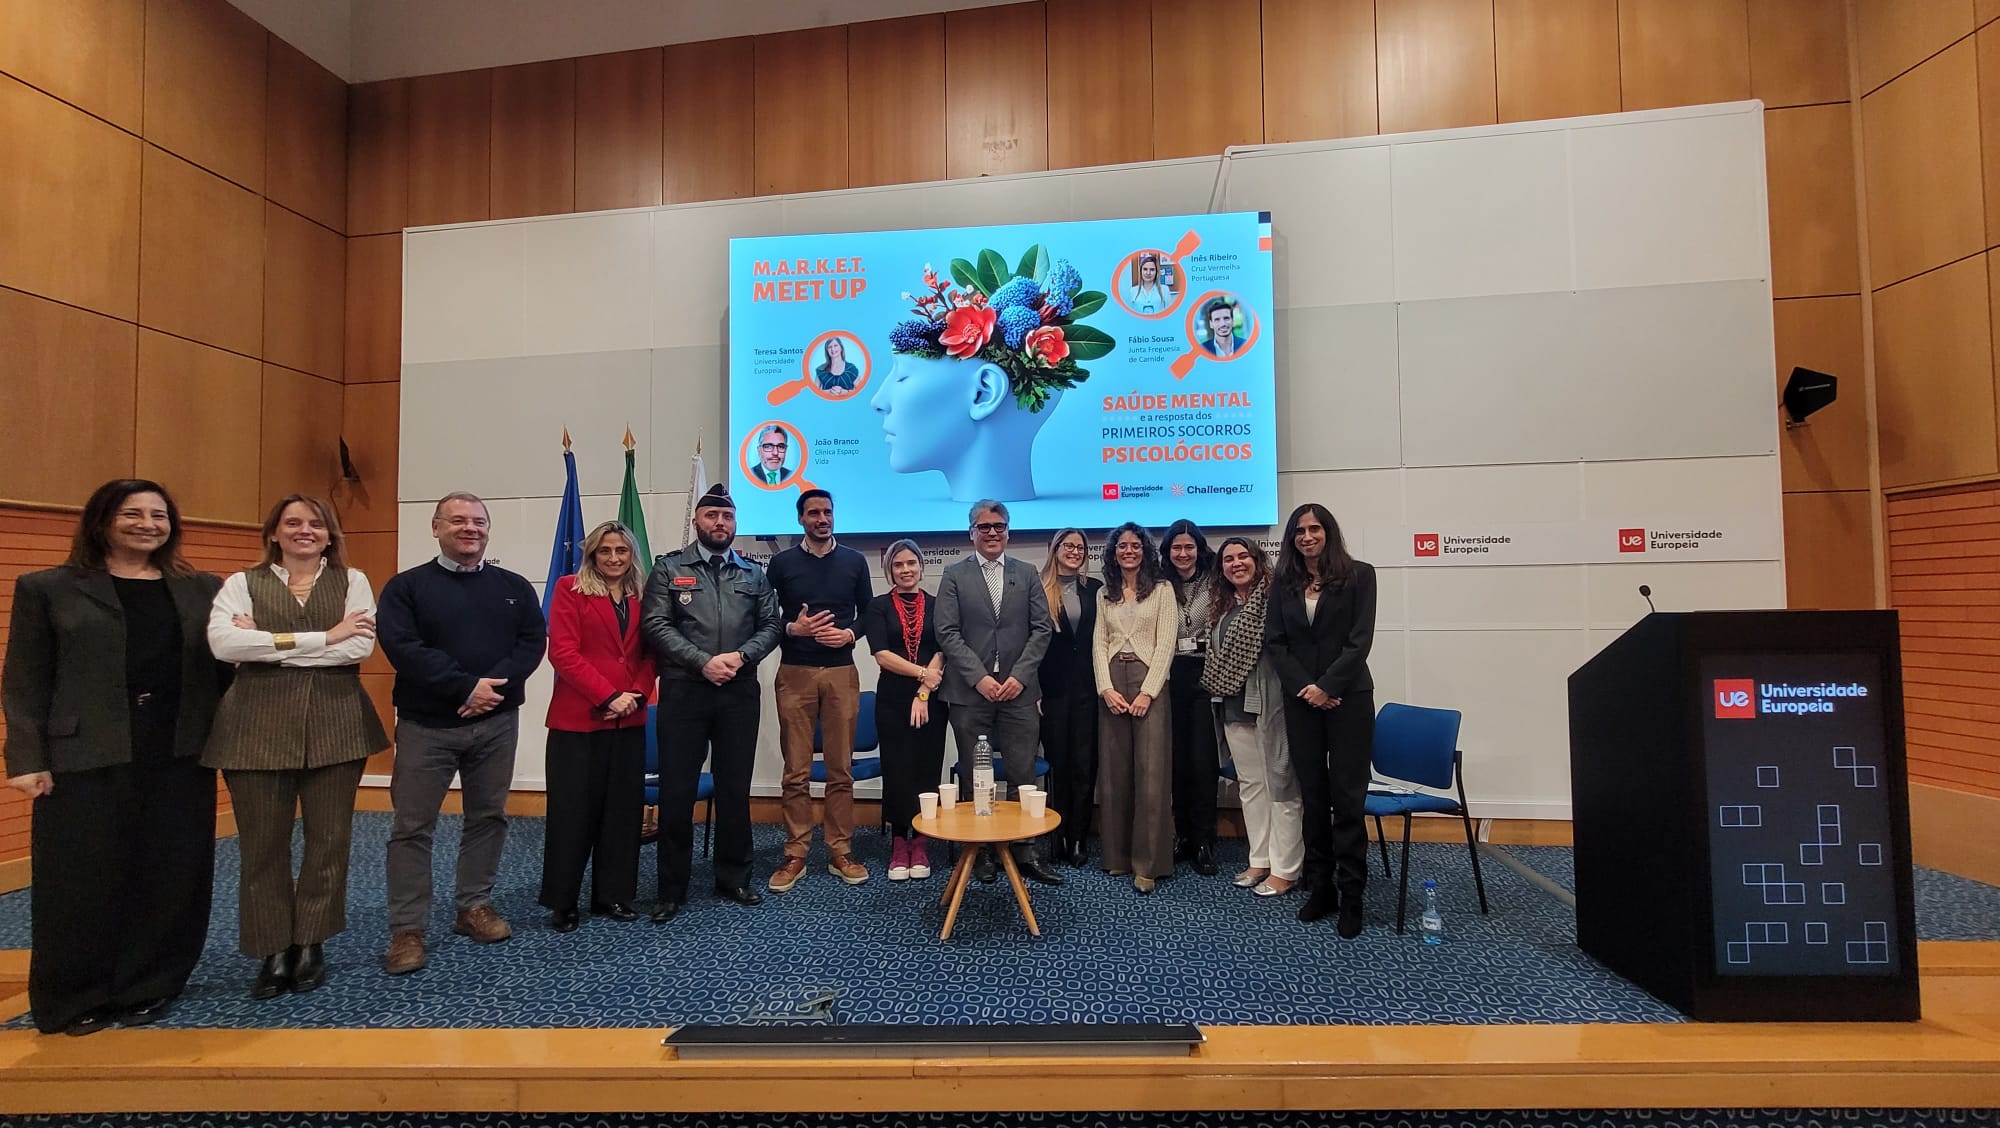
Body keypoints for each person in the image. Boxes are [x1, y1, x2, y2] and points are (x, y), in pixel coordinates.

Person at [2, 480, 226, 1035]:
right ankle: (73, 996)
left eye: (159, 514)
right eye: (132, 513)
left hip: (178, 749)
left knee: (171, 872)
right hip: (86, 751)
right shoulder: (48, 588)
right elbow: (25, 681)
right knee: (80, 877)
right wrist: (27, 757)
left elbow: (225, 670)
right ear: (101, 520)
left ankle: (150, 984)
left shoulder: (203, 589)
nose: (147, 523)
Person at [205, 494, 388, 1000]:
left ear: (330, 535)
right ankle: (272, 948)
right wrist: (322, 637)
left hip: (338, 726)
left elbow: (358, 648)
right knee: (263, 846)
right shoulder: (242, 583)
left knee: (329, 842)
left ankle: (310, 941)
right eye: (292, 523)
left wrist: (267, 643)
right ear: (273, 533)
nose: (304, 531)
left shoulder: (353, 582)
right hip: (253, 731)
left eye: (315, 524)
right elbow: (225, 646)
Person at [376, 492, 547, 974]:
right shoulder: (406, 588)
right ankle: (407, 930)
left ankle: (474, 907)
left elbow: (531, 643)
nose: (469, 528)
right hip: (426, 726)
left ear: (489, 530)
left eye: (478, 521)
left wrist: (492, 688)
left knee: (488, 817)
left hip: (495, 724)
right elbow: (402, 647)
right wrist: (465, 685)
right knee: (412, 827)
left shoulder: (513, 586)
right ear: (435, 528)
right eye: (457, 521)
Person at [641, 483, 782, 921]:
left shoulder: (753, 574)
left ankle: (734, 878)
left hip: (738, 691)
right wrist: (703, 662)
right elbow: (656, 625)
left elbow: (772, 625)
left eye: (727, 517)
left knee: (734, 789)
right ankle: (671, 889)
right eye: (711, 516)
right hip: (685, 690)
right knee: (678, 790)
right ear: (697, 521)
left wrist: (740, 658)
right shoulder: (668, 569)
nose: (720, 524)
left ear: (735, 523)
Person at [932, 499, 1061, 886]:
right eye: (984, 526)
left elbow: (1042, 629)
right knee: (976, 776)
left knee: (1023, 774)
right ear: (971, 532)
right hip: (971, 694)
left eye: (998, 526)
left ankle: (1025, 850)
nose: (992, 533)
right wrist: (979, 677)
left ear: (1008, 531)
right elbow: (947, 632)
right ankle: (983, 852)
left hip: (1019, 693)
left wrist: (1019, 676)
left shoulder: (1026, 573)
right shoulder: (954, 574)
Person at [1263, 502, 1377, 937]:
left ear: (1329, 531)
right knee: (1313, 799)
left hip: (1349, 700)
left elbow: (1359, 641)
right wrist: (1307, 689)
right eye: (1299, 531)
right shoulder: (1285, 582)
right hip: (1301, 702)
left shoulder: (1360, 575)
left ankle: (1352, 896)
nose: (1307, 536)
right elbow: (1276, 643)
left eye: (1315, 528)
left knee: (1347, 801)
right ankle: (1320, 888)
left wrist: (1328, 686)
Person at [539, 521, 654, 933]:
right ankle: (563, 901)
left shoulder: (643, 596)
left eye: (621, 551)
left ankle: (614, 895)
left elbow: (649, 656)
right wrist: (608, 696)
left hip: (630, 719)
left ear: (632, 555)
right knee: (573, 814)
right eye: (605, 551)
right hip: (580, 720)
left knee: (622, 815)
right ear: (592, 554)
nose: (613, 558)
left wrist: (636, 696)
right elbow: (564, 654)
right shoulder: (570, 588)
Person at [764, 489, 875, 892]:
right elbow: (764, 618)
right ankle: (795, 854)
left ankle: (840, 850)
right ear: (801, 520)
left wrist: (848, 633)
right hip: (794, 672)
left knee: (839, 769)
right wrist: (793, 628)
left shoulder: (854, 561)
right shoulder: (780, 563)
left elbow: (868, 614)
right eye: (813, 513)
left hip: (842, 673)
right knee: (795, 771)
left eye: (827, 511)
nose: (822, 518)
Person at [1201, 536, 1301, 897]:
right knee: (1252, 787)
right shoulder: (1223, 608)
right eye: (1228, 559)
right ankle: (1260, 860)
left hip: (1270, 706)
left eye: (1243, 556)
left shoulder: (1276, 601)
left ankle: (1286, 868)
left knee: (1281, 785)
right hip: (1231, 706)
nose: (1236, 563)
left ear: (1258, 561)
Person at [1092, 522, 1179, 894]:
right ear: (1113, 553)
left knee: (1151, 774)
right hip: (1113, 681)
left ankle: (1147, 865)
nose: (1128, 551)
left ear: (1145, 550)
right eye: (1121, 546)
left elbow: (1166, 643)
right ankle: (1117, 858)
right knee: (1113, 774)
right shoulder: (1105, 594)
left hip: (1149, 683)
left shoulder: (1162, 590)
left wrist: (1148, 691)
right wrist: (1105, 688)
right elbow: (1099, 643)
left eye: (1135, 545)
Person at [862, 539, 949, 881]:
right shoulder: (877, 606)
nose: (906, 570)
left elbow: (943, 649)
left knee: (927, 767)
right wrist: (922, 674)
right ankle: (900, 842)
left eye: (911, 563)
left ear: (921, 566)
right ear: (889, 571)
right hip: (893, 697)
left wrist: (925, 690)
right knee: (897, 770)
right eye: (898, 565)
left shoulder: (938, 604)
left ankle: (922, 842)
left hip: (931, 698)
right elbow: (881, 654)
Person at [1036, 527, 1101, 865]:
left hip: (1089, 691)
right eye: (1068, 545)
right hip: (1052, 692)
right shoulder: (1038, 589)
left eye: (1080, 547)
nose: (1074, 551)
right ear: (1055, 549)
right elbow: (1028, 646)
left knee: (1084, 765)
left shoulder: (1096, 590)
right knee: (1058, 765)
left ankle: (1078, 838)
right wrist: (1034, 689)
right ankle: (1057, 834)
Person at [1162, 519, 1220, 876]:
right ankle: (1183, 837)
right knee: (1177, 763)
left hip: (1206, 676)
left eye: (1189, 547)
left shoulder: (1216, 581)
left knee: (1203, 763)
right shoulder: (1159, 584)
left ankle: (1204, 841)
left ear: (1199, 548)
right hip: (1169, 677)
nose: (1182, 554)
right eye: (1176, 548)